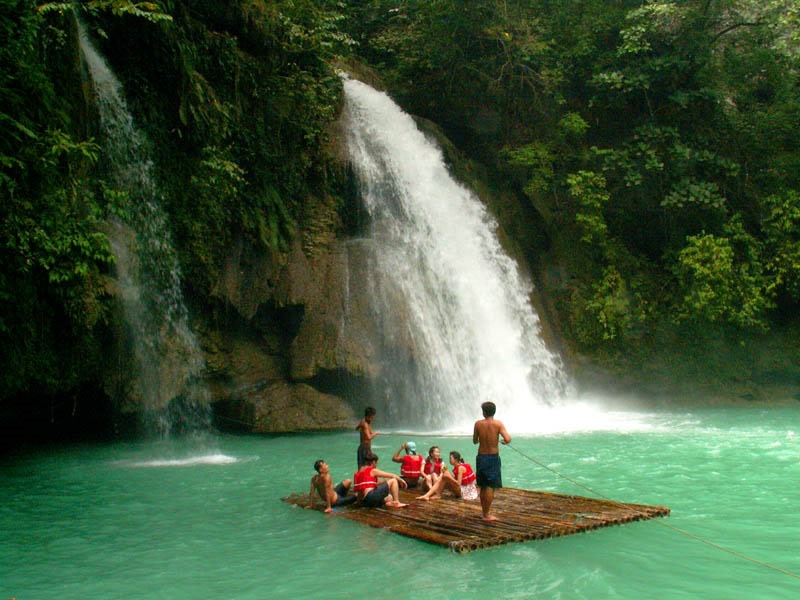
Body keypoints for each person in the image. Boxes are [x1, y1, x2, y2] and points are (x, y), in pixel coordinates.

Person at [473, 401, 511, 521]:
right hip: (493, 457)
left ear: (484, 412)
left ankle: (484, 513)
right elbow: (508, 438)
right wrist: (503, 441)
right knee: (490, 486)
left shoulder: (478, 424)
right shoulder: (498, 424)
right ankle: (486, 515)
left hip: (481, 456)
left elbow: (475, 441)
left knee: (483, 485)